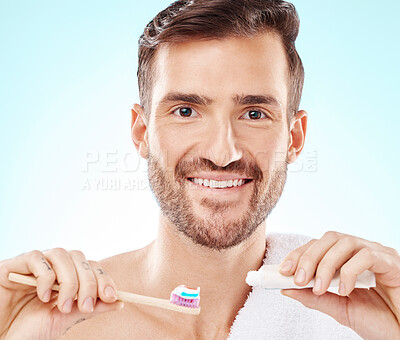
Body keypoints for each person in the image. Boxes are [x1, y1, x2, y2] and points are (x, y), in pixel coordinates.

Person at [1, 0, 399, 339]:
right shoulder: (59, 323)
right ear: (141, 133)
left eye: (254, 113)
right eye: (186, 111)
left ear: (294, 139)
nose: (222, 153)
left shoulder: (354, 318)